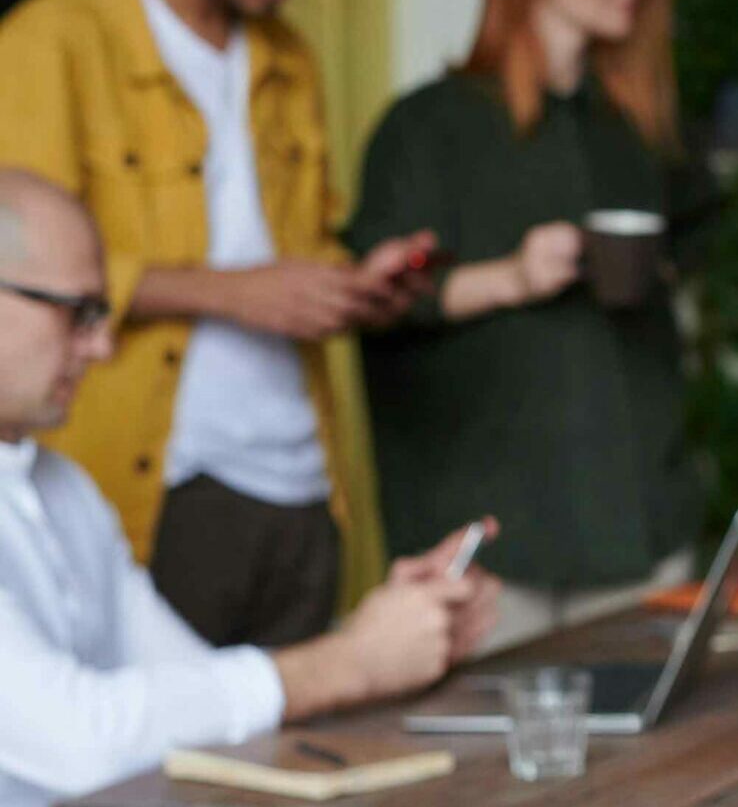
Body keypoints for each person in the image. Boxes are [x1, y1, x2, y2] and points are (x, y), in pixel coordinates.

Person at [0, 0, 437, 649]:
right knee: (164, 768)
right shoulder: (52, 42)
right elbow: (24, 275)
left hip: (304, 480)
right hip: (158, 483)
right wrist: (236, 295)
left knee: (307, 757)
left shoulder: (289, 58)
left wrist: (352, 287)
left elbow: (296, 242)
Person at [0, 169, 497, 806]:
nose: (102, 346)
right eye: (78, 314)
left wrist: (388, 637)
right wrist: (350, 662)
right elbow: (79, 740)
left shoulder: (63, 488)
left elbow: (187, 680)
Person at [345, 0, 706, 653]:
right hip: (499, 544)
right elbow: (373, 298)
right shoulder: (427, 126)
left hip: (642, 516)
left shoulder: (635, 128)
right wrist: (512, 276)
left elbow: (691, 246)